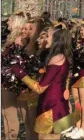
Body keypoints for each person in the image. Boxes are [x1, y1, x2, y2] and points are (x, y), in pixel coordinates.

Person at [11, 25, 73, 140]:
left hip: (51, 108)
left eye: (48, 36)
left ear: (56, 40)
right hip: (60, 106)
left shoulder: (56, 59)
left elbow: (40, 88)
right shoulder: (60, 57)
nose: (45, 39)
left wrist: (20, 73)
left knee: (46, 137)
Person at [1, 12, 29, 140]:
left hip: (12, 82)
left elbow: (16, 63)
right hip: (13, 80)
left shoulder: (18, 41)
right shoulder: (14, 39)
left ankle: (11, 136)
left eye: (10, 20)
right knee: (12, 114)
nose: (7, 22)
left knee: (10, 113)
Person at [66, 21, 84, 139]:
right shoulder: (77, 43)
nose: (83, 32)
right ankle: (77, 126)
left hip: (83, 75)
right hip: (75, 75)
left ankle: (83, 128)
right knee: (76, 102)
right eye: (81, 30)